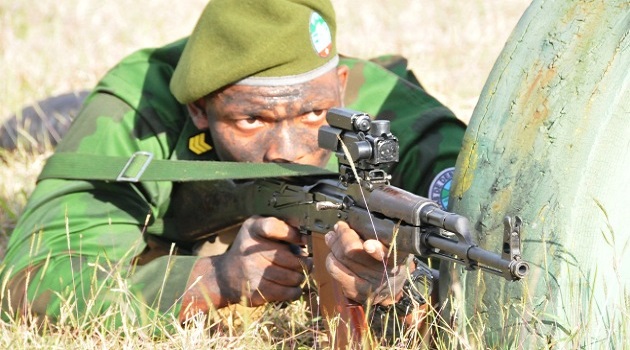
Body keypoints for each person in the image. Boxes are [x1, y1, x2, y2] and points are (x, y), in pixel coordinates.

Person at [0, 0, 465, 337]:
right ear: (200, 109)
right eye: (252, 119)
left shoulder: (385, 107)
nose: (287, 151)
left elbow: (481, 209)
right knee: (33, 128)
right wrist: (214, 278)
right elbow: (30, 281)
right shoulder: (138, 118)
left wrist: (406, 268)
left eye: (312, 114)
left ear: (340, 85)